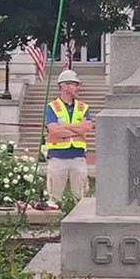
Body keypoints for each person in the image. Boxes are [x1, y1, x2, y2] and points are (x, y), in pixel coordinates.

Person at [43, 69, 95, 203]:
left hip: (78, 156)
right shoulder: (52, 107)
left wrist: (65, 128)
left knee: (80, 197)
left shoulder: (83, 107)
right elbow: (53, 130)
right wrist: (77, 129)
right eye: (75, 84)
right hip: (57, 156)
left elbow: (88, 127)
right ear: (64, 86)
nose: (78, 87)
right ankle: (54, 220)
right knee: (54, 197)